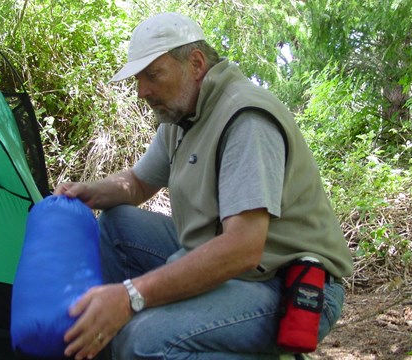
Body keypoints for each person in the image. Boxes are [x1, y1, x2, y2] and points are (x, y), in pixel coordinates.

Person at [54, 12, 354, 360]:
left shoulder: (245, 118)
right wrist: (86, 192)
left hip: (283, 281)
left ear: (195, 63)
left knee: (144, 341)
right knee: (118, 224)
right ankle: (106, 341)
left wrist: (131, 296)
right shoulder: (181, 114)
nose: (143, 91)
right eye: (139, 78)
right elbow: (136, 184)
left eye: (152, 75)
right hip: (223, 258)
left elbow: (243, 248)